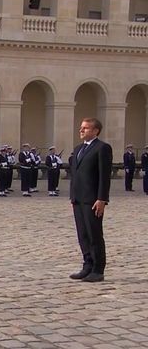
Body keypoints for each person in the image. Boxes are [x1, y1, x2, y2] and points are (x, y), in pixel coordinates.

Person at [69, 117, 112, 283]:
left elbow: (104, 176)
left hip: (93, 199)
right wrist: (73, 195)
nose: (81, 130)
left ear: (95, 131)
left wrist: (102, 198)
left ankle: (98, 269)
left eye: (85, 128)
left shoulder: (102, 148)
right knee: (83, 235)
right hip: (78, 199)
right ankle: (87, 265)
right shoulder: (78, 148)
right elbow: (76, 174)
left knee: (94, 234)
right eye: (81, 127)